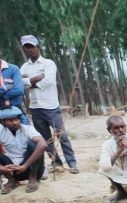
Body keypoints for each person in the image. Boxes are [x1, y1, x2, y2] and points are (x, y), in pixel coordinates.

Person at [19, 35, 79, 174]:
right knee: (46, 139)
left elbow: (49, 81)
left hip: (51, 106)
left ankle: (72, 163)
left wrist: (30, 83)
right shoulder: (24, 67)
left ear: (38, 47)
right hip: (35, 108)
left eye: (32, 46)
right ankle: (56, 163)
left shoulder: (48, 63)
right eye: (27, 47)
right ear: (25, 49)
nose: (30, 50)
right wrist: (36, 79)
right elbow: (20, 83)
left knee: (61, 135)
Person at [0, 106, 46, 194]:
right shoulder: (1, 130)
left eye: (16, 119)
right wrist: (2, 168)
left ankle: (33, 178)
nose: (15, 122)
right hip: (13, 169)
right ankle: (12, 181)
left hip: (31, 168)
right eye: (10, 120)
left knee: (36, 145)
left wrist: (25, 166)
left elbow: (43, 144)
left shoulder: (27, 129)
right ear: (3, 122)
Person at [0, 50, 29, 124]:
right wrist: (10, 86)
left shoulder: (13, 69)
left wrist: (5, 97)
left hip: (16, 111)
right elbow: (16, 88)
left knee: (26, 132)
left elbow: (19, 90)